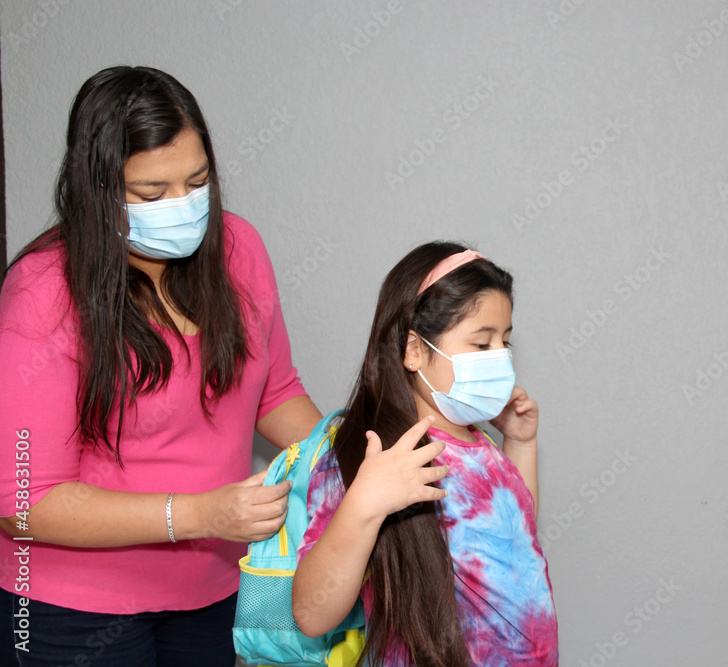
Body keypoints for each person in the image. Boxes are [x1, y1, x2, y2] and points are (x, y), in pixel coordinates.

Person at [0, 66, 324, 665]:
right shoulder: (42, 292)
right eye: (152, 194)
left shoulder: (238, 249)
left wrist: (350, 459)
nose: (183, 207)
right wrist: (202, 513)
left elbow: (274, 393)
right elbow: (24, 503)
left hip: (213, 591)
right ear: (96, 189)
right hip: (70, 612)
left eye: (198, 182)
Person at [291, 243, 559, 666]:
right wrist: (364, 503)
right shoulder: (374, 454)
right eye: (481, 343)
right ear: (414, 349)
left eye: (505, 342)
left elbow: (515, 537)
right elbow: (311, 614)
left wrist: (521, 444)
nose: (501, 359)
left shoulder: (478, 439)